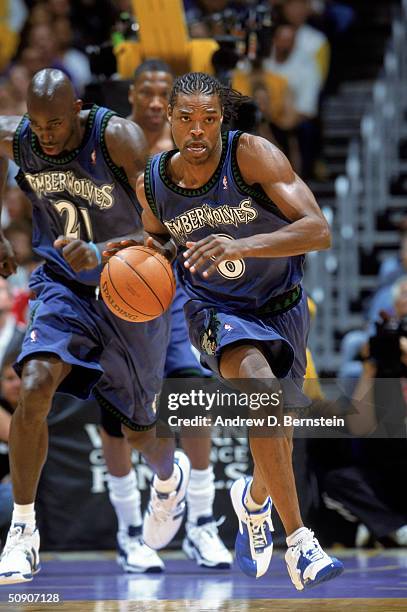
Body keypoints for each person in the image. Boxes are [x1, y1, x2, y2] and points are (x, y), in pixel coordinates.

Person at [108, 72, 344, 589]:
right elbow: (159, 243)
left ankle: (252, 501)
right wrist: (133, 255)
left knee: (275, 424)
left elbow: (318, 230)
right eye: (186, 118)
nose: (197, 130)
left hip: (282, 306)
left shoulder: (252, 155)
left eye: (209, 119)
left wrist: (242, 245)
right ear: (168, 117)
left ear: (222, 120)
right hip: (213, 310)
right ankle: (301, 546)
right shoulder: (153, 182)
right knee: (262, 395)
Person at [0, 68, 190, 584]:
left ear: (78, 108)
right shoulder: (21, 137)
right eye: (37, 125)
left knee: (136, 430)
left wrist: (106, 251)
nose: (46, 135)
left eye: (56, 124)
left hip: (130, 291)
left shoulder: (118, 139)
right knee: (35, 384)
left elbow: (167, 226)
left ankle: (170, 478)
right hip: (64, 287)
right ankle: (23, 531)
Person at [100, 59, 232, 572]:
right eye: (147, 93)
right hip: (116, 290)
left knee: (191, 391)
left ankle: (201, 523)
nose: (155, 103)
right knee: (115, 414)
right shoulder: (109, 145)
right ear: (131, 95)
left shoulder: (187, 156)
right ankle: (130, 531)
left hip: (174, 289)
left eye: (164, 95)